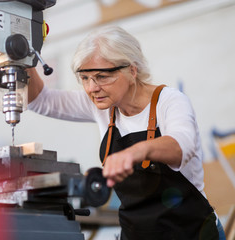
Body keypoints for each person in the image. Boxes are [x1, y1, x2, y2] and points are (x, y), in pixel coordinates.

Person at [26, 25, 225, 239]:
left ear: (132, 70)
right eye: (84, 78)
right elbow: (40, 100)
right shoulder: (101, 105)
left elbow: (180, 146)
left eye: (102, 76)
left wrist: (135, 152)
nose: (92, 88)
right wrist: (23, 57)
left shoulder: (169, 101)